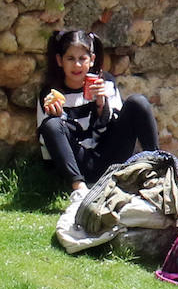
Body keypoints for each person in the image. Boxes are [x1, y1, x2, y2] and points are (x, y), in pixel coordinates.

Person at [37, 29, 159, 193]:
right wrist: (57, 118)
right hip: (78, 162)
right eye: (70, 59)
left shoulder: (105, 83)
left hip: (109, 156)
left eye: (82, 59)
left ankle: (159, 169)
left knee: (138, 102)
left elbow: (115, 130)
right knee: (51, 124)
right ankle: (79, 189)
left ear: (92, 60)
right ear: (60, 61)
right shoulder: (51, 93)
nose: (77, 65)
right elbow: (46, 142)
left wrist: (101, 105)